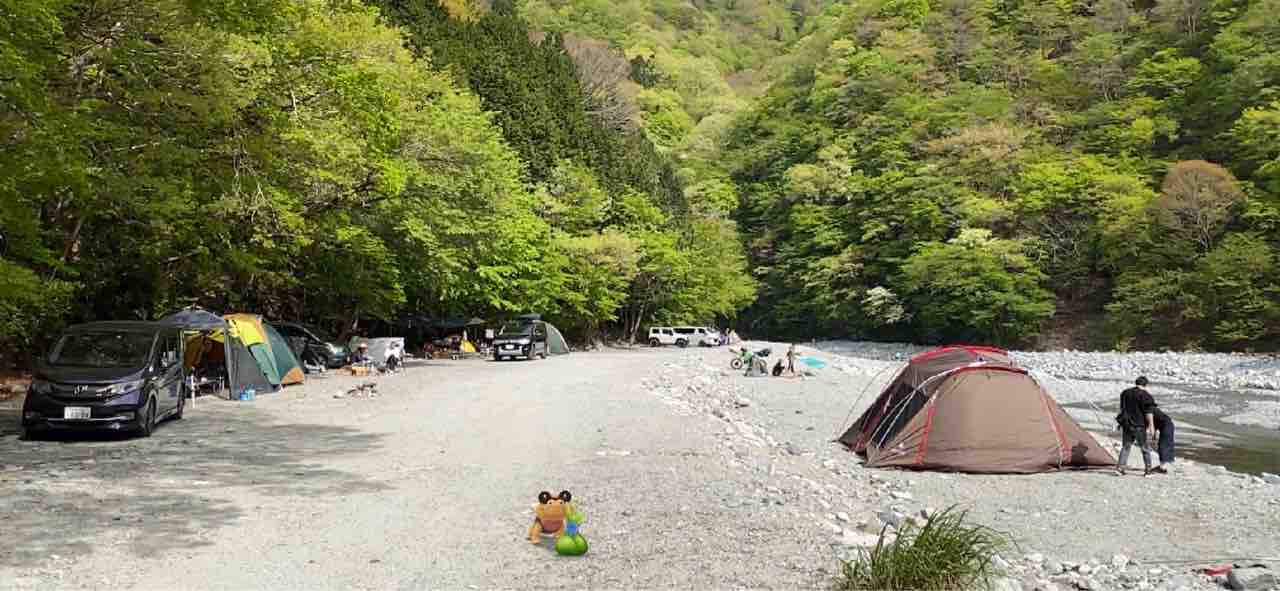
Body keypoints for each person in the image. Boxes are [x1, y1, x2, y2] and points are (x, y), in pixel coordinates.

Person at [1116, 376, 1156, 476]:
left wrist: (1119, 423)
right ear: (1146, 384)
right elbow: (1149, 412)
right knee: (1145, 448)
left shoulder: (1125, 393)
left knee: (1126, 447)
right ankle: (1148, 471)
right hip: (1139, 426)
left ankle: (1120, 469)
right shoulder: (1146, 396)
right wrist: (1151, 426)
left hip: (1127, 424)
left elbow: (1122, 409)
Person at [1152, 405, 1175, 474]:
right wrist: (1154, 435)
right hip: (1168, 426)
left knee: (1163, 446)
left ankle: (1163, 467)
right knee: (1164, 445)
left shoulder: (1150, 411)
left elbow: (1153, 424)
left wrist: (1154, 434)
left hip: (1166, 427)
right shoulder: (1155, 411)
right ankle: (1163, 465)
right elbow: (1155, 424)